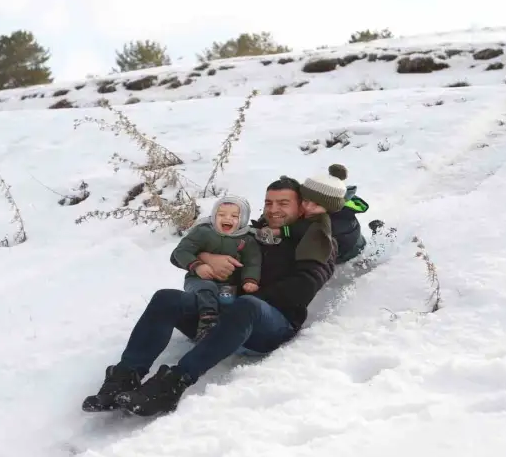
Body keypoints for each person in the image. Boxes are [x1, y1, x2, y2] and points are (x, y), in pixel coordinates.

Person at [81, 176, 338, 417]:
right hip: (225, 317)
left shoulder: (315, 240)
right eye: (268, 203)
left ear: (300, 207)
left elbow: (304, 288)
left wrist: (249, 296)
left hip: (270, 326)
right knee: (166, 298)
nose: (273, 209)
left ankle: (173, 384)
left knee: (248, 304)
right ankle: (124, 378)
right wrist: (207, 258)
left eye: (283, 203)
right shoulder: (251, 233)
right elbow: (182, 253)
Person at [170, 195, 262, 342]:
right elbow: (181, 251)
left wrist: (250, 280)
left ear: (243, 219)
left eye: (234, 216)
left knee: (228, 303)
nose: (227, 218)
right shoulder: (203, 232)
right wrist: (197, 265)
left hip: (227, 284)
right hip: (198, 279)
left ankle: (221, 333)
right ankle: (206, 324)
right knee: (206, 292)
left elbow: (253, 262)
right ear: (214, 215)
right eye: (221, 214)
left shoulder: (247, 240)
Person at [258, 163, 375, 264]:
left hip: (350, 252)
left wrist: (281, 231)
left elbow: (308, 229)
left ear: (330, 207)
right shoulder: (315, 208)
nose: (309, 207)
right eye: (306, 201)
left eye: (317, 205)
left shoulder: (340, 221)